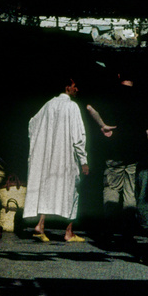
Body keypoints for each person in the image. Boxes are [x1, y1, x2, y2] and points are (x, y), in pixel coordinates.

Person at [88, 72, 148, 248]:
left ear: (119, 76)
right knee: (130, 194)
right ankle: (127, 232)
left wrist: (102, 125)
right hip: (133, 154)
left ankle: (108, 230)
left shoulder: (110, 93)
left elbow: (90, 107)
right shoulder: (142, 98)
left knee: (111, 189)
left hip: (113, 152)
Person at [22, 77, 89, 243]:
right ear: (67, 87)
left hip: (50, 158)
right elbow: (78, 137)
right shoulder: (72, 107)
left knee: (48, 188)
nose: (77, 89)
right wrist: (83, 160)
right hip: (66, 159)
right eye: (75, 86)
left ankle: (41, 225)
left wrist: (44, 145)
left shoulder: (48, 105)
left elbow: (32, 123)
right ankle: (69, 232)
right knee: (73, 190)